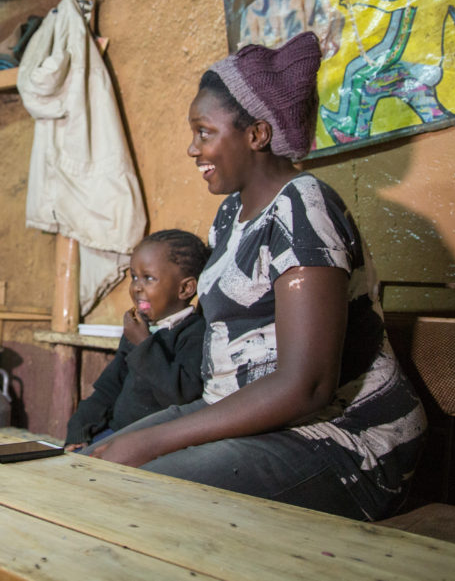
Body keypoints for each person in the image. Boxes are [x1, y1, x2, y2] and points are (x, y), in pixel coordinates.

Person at [89, 32, 427, 521]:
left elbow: (305, 387)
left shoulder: (304, 207)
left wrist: (155, 438)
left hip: (344, 438)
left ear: (256, 135)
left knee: (134, 495)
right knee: (87, 471)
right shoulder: (229, 217)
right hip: (248, 417)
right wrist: (145, 437)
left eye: (204, 132)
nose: (192, 148)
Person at [65, 229, 208, 451]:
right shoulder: (140, 329)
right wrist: (79, 430)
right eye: (134, 277)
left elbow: (179, 396)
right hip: (115, 433)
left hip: (153, 445)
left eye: (148, 278)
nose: (136, 287)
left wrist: (143, 343)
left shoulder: (194, 334)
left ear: (185, 288)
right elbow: (108, 388)